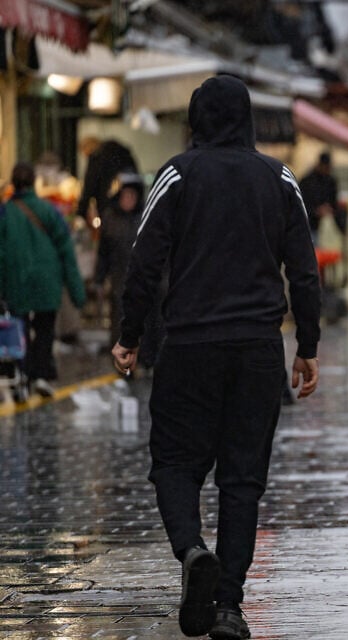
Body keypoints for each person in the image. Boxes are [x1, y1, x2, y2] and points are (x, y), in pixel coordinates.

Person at [111, 75, 321, 640]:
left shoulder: (177, 175)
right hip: (257, 349)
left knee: (175, 464)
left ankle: (191, 550)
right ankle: (228, 605)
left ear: (198, 118)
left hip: (191, 346)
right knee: (243, 479)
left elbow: (143, 264)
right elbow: (304, 269)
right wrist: (308, 347)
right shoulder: (279, 178)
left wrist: (129, 336)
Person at [0, 162, 86, 398]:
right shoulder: (50, 211)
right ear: (33, 184)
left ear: (13, 184)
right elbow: (66, 251)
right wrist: (78, 293)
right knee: (45, 330)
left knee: (21, 330)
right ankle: (41, 375)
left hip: (17, 283)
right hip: (48, 283)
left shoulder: (5, 213)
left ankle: (23, 376)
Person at [94, 173, 144, 349]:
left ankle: (145, 358)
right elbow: (103, 252)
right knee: (120, 319)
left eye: (132, 195)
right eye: (125, 195)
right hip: (119, 279)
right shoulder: (111, 218)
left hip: (143, 280)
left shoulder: (144, 218)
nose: (128, 199)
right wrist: (99, 278)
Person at [75, 137, 138, 223]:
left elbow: (89, 186)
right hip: (131, 209)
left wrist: (80, 213)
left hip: (106, 206)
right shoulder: (124, 153)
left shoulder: (96, 157)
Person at [298, 151, 348, 242]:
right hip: (311, 226)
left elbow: (334, 203)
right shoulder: (307, 182)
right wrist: (316, 211)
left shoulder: (330, 181)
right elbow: (301, 205)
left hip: (329, 227)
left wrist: (330, 209)